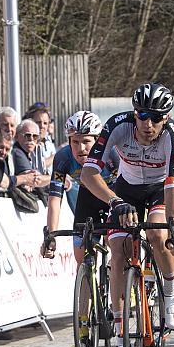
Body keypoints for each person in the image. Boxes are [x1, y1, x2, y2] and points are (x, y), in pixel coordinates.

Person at [81, 82, 174, 347]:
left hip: (159, 190)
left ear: (166, 118)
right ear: (134, 113)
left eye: (155, 117)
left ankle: (169, 288)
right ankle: (119, 338)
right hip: (125, 191)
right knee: (118, 251)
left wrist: (173, 229)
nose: (148, 123)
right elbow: (88, 173)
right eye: (142, 115)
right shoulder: (118, 125)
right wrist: (115, 201)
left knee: (156, 232)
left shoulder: (173, 137)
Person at [41, 110, 118, 266]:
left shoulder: (112, 153)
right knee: (81, 258)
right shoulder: (63, 157)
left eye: (86, 141)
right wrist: (50, 235)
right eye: (75, 142)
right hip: (87, 198)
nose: (80, 148)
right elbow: (55, 199)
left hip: (113, 195)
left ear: (97, 140)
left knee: (117, 247)